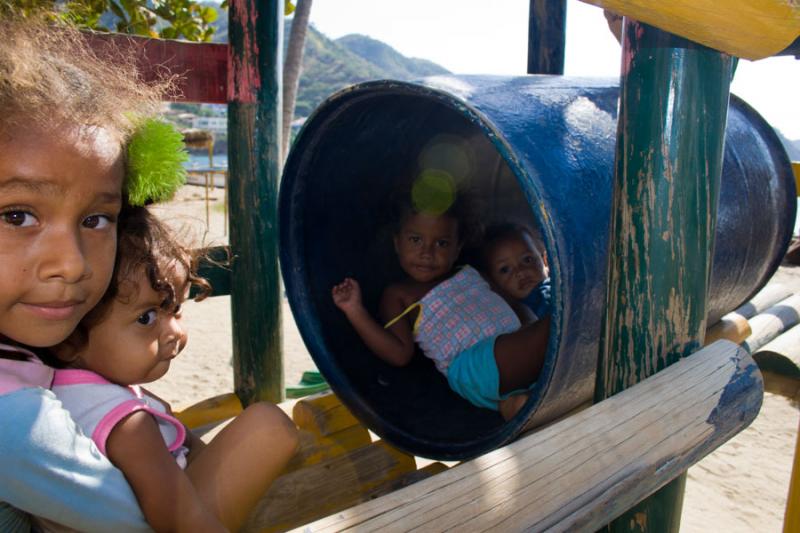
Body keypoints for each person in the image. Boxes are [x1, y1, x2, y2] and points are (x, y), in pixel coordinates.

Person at [0, 15, 169, 531]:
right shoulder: (13, 423)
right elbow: (144, 520)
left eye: (96, 220)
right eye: (17, 216)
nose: (72, 263)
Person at [43, 206, 298, 532]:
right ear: (68, 336)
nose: (174, 332)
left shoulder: (72, 391)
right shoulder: (124, 423)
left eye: (176, 308)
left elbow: (190, 448)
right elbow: (179, 521)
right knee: (269, 424)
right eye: (146, 317)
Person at [331, 189, 550, 421]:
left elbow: (513, 305)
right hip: (474, 366)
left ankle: (514, 406)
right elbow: (399, 353)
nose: (427, 252)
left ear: (457, 248)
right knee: (561, 326)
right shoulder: (399, 294)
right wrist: (355, 310)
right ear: (397, 243)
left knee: (523, 395)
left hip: (512, 360)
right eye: (416, 240)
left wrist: (530, 329)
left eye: (442, 243)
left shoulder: (470, 272)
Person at [479, 222, 552, 324]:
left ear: (544, 260)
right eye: (505, 269)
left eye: (527, 260)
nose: (520, 272)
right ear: (493, 282)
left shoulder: (556, 288)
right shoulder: (508, 314)